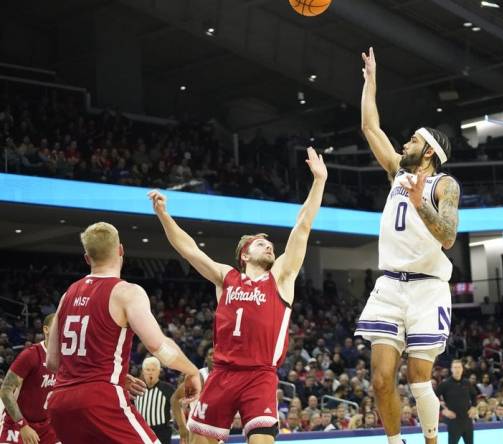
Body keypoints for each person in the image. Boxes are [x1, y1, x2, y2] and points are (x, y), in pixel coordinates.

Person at [149, 147, 327, 444]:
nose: (269, 248)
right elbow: (189, 249)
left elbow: (303, 227)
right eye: (261, 245)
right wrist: (164, 215)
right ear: (244, 254)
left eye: (270, 246)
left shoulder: (281, 277)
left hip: (260, 375)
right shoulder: (226, 278)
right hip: (221, 373)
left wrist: (319, 181)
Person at [355, 47, 461, 444]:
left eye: (413, 140)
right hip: (389, 286)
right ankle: (395, 441)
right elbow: (370, 128)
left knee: (419, 379)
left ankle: (432, 440)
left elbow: (448, 236)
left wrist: (421, 206)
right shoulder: (396, 174)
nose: (405, 144)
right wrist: (370, 81)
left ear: (430, 152)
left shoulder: (443, 185)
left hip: (427, 288)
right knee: (381, 379)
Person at [45, 222, 201, 443]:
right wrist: (191, 370)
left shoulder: (68, 294)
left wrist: (112, 374)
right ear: (121, 250)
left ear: (87, 258)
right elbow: (159, 347)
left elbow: (52, 361)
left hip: (61, 404)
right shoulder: (126, 292)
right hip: (100, 401)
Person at [0, 314, 62, 444]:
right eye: (57, 325)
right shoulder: (31, 354)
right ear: (46, 329)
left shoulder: (67, 358)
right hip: (18, 423)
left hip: (47, 426)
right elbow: (5, 390)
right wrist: (22, 425)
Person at [172, 348, 214, 444]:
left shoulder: (228, 377)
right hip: (198, 430)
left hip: (217, 431)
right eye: (211, 354)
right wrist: (182, 428)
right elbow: (175, 399)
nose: (214, 357)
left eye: (217, 354)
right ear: (206, 359)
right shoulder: (199, 376)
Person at [134, 357, 176, 444]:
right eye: (147, 370)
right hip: (142, 431)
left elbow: (177, 409)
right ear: (143, 371)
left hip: (161, 433)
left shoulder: (168, 389)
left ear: (158, 372)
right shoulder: (136, 388)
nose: (150, 373)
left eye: (153, 370)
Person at [436, 360, 476, 444]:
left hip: (467, 419)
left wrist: (473, 407)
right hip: (453, 420)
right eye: (455, 367)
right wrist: (443, 410)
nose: (457, 369)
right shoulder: (445, 384)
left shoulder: (467, 382)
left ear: (462, 369)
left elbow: (474, 395)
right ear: (451, 369)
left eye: (459, 367)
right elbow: (433, 397)